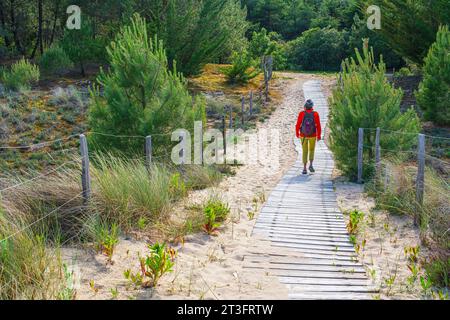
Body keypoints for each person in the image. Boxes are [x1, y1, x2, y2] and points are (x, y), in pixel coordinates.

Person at [295, 99, 321, 175]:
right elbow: (318, 126)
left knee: (304, 150)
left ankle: (304, 168)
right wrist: (319, 135)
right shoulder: (315, 114)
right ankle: (311, 165)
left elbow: (298, 124)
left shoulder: (301, 113)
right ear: (312, 106)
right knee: (312, 150)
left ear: (305, 106)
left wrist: (297, 133)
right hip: (313, 135)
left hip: (303, 135)